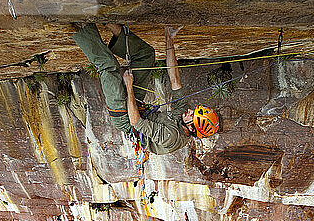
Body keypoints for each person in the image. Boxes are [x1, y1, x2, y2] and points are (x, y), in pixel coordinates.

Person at [72, 23, 219, 156]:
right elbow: (175, 79)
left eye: (192, 115)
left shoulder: (171, 137)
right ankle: (108, 21)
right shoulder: (184, 116)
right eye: (195, 110)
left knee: (109, 66)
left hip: (125, 117)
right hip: (139, 108)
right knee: (146, 55)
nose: (189, 111)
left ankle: (82, 25)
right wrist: (169, 39)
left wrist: (129, 86)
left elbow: (136, 121)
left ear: (191, 129)